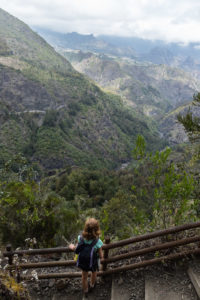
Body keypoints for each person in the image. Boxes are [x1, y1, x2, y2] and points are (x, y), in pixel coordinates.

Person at [69, 218, 103, 297]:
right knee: (94, 272)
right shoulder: (98, 242)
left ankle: (85, 290)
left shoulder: (80, 238)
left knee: (84, 276)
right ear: (97, 230)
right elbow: (101, 255)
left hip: (83, 261)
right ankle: (92, 285)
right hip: (93, 262)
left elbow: (77, 248)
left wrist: (71, 247)